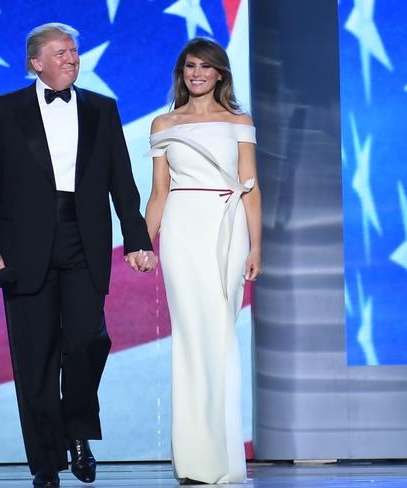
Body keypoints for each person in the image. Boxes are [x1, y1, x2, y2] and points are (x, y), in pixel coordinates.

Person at [0, 23, 155, 488]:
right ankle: (45, 461)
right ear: (36, 62)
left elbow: (122, 180)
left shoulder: (102, 109)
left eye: (74, 51)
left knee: (87, 342)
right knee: (34, 359)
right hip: (22, 245)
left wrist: (136, 238)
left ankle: (78, 432)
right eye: (61, 53)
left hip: (84, 238)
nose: (72, 59)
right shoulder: (4, 109)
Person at [145, 37, 263, 484]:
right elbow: (158, 193)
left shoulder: (239, 121)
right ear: (183, 72)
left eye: (206, 67)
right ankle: (194, 460)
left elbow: (251, 188)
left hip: (227, 228)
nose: (197, 73)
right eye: (191, 66)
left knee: (219, 335)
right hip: (181, 229)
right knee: (190, 338)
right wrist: (141, 243)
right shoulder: (162, 124)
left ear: (220, 74)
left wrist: (257, 247)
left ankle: (223, 458)